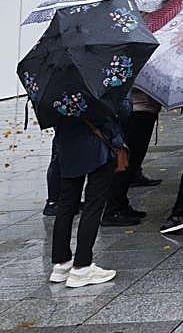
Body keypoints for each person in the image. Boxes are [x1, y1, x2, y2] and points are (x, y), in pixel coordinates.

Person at [49, 103, 127, 288]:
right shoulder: (96, 82)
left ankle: (61, 264)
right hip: (97, 148)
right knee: (94, 204)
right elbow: (122, 110)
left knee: (66, 205)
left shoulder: (53, 89)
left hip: (67, 148)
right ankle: (82, 266)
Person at [102, 88, 159, 226]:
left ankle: (121, 204)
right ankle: (113, 209)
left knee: (134, 161)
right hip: (137, 110)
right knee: (128, 161)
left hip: (144, 109)